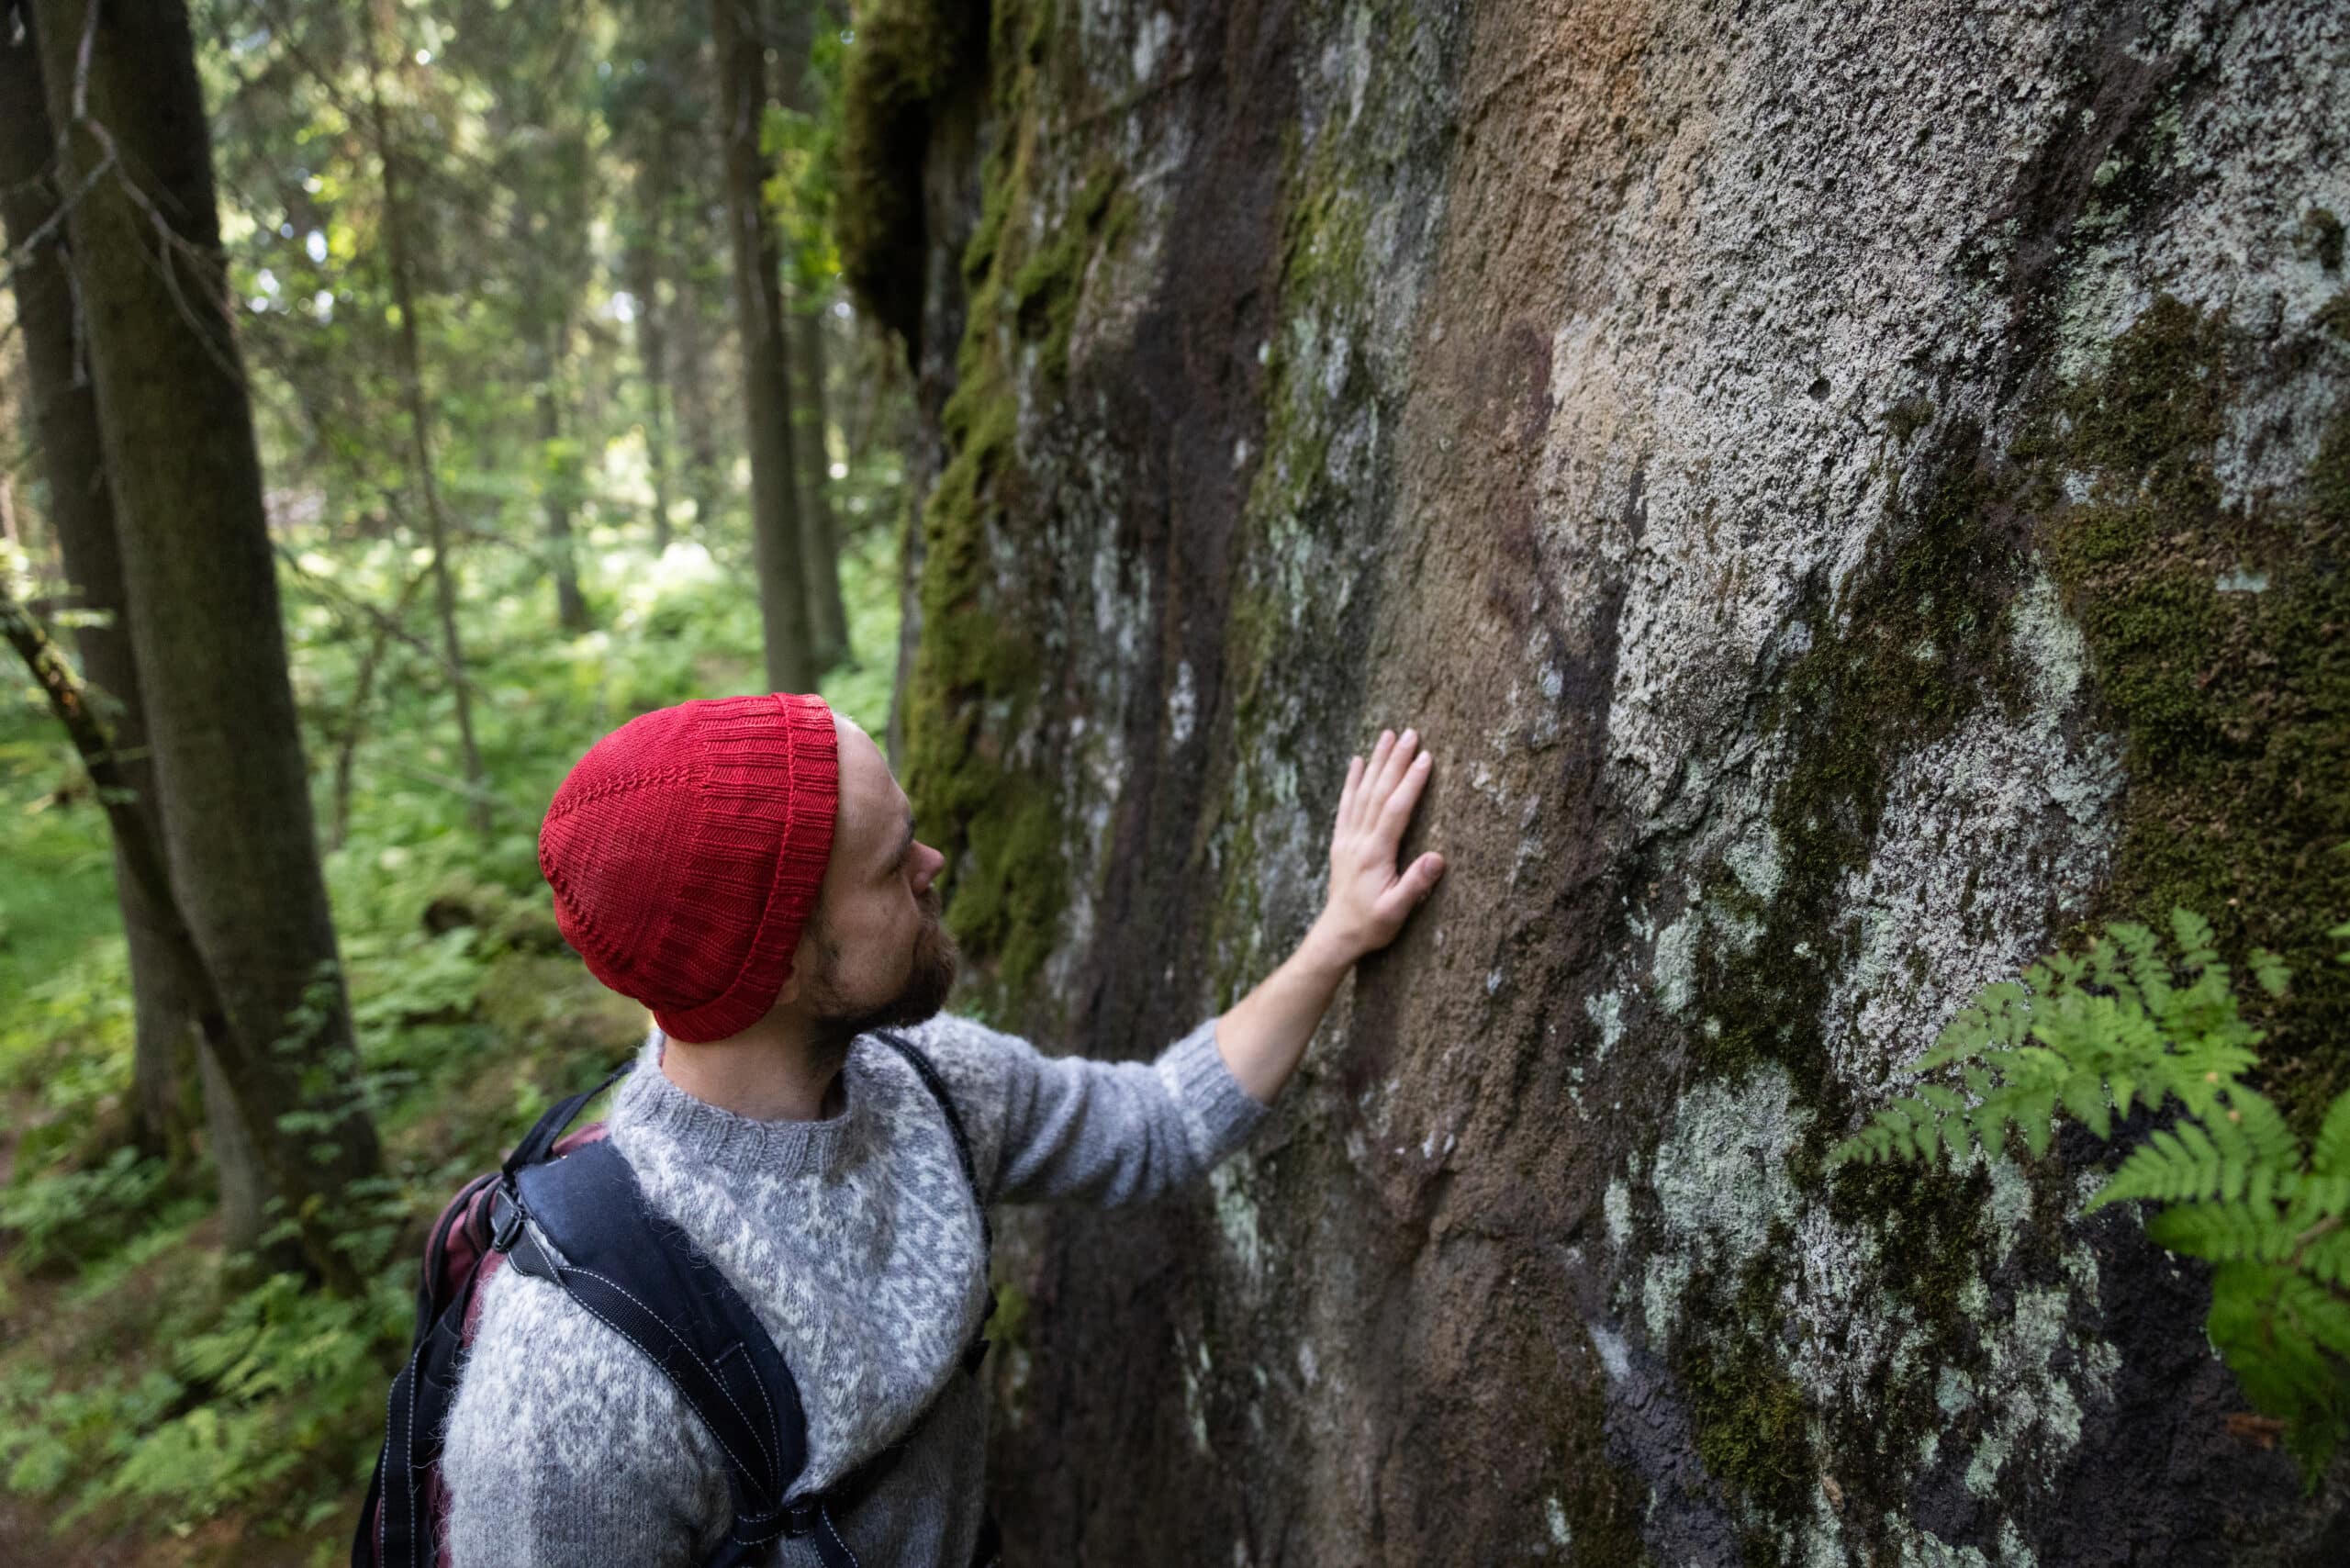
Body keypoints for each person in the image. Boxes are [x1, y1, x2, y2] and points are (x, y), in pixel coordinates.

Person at [441, 691, 1446, 1565]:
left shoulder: (926, 1087)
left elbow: (1155, 1121)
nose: (932, 862)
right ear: (780, 964)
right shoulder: (572, 1379)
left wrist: (1336, 937)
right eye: (888, 867)